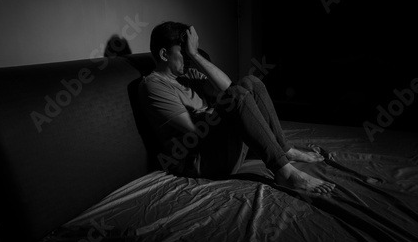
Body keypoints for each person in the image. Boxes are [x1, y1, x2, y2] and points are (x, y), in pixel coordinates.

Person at [139, 21, 335, 196]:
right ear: (164, 54)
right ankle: (285, 172)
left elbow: (230, 88)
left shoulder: (189, 74)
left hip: (220, 145)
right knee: (236, 96)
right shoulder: (153, 85)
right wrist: (220, 110)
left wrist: (195, 55)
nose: (188, 58)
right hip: (200, 160)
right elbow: (194, 131)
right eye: (183, 52)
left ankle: (283, 149)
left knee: (251, 82)